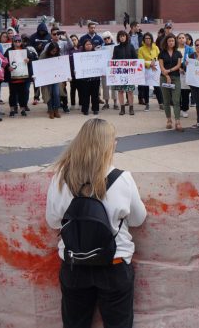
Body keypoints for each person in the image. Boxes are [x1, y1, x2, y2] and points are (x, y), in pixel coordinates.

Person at [45, 119, 146, 328]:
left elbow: (53, 222)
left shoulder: (60, 178)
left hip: (74, 265)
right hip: (114, 265)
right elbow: (138, 219)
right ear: (109, 145)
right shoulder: (123, 179)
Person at [6, 34, 37, 118]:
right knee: (12, 94)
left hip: (23, 77)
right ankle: (12, 109)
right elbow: (4, 61)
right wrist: (8, 67)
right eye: (15, 41)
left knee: (23, 94)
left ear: (21, 42)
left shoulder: (25, 50)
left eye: (19, 41)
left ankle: (22, 109)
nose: (17, 43)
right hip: (13, 77)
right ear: (13, 42)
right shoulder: (9, 51)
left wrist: (29, 60)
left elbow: (32, 59)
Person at [159, 34, 184, 132]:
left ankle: (177, 121)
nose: (171, 42)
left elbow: (178, 65)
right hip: (164, 78)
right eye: (169, 41)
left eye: (173, 41)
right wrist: (167, 76)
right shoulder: (162, 53)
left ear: (175, 42)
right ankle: (169, 120)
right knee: (166, 100)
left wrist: (169, 71)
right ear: (166, 42)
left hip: (176, 78)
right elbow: (161, 67)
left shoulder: (178, 53)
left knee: (176, 100)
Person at [113, 30, 139, 116]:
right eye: (120, 36)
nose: (122, 37)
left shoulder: (131, 46)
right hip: (120, 73)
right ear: (118, 38)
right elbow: (114, 60)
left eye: (124, 36)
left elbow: (135, 59)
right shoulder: (116, 48)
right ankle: (122, 108)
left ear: (126, 37)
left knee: (130, 91)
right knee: (120, 91)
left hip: (130, 73)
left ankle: (131, 108)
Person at [75, 39, 102, 115]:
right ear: (84, 46)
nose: (88, 46)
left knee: (95, 95)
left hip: (95, 79)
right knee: (85, 95)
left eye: (90, 44)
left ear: (92, 45)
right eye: (87, 44)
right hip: (84, 79)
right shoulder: (80, 55)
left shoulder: (96, 54)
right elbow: (77, 66)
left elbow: (100, 65)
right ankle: (85, 109)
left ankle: (95, 109)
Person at [137, 32, 160, 110]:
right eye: (146, 38)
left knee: (157, 87)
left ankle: (161, 103)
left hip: (155, 70)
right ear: (143, 39)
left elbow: (158, 56)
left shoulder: (156, 47)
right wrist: (149, 65)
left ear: (151, 39)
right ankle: (147, 103)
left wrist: (154, 60)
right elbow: (140, 60)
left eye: (149, 38)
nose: (147, 40)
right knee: (145, 87)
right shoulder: (141, 49)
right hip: (146, 70)